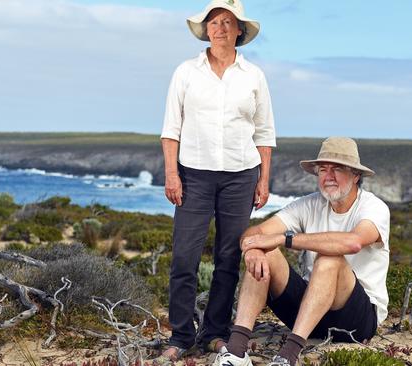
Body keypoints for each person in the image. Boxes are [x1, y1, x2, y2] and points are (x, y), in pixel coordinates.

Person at [159, 0, 276, 361]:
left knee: (227, 259)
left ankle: (214, 333)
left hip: (241, 177)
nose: (219, 27)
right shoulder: (186, 72)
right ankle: (180, 336)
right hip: (193, 176)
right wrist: (172, 173)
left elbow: (265, 132)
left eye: (227, 21)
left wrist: (263, 179)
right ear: (205, 29)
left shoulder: (253, 75)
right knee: (184, 258)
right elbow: (170, 129)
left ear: (239, 30)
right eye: (213, 21)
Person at [213, 137, 390, 366]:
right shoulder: (308, 204)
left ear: (356, 175)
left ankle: (288, 356)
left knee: (330, 259)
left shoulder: (373, 208)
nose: (329, 176)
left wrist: (285, 239)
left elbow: (353, 242)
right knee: (265, 252)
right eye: (323, 169)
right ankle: (236, 351)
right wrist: (253, 249)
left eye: (337, 169)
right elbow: (255, 232)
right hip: (310, 312)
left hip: (357, 320)